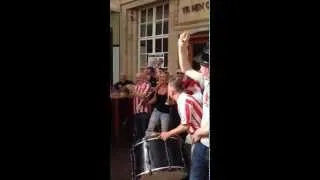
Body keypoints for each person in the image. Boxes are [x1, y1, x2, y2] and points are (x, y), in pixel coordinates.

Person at [178, 31, 211, 180]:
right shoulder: (207, 81)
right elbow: (186, 69)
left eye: (205, 65)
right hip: (202, 146)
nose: (201, 69)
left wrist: (199, 133)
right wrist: (181, 47)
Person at [145, 72, 171, 137]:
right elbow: (155, 99)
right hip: (156, 110)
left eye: (164, 77)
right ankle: (148, 145)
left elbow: (171, 101)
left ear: (167, 78)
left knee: (164, 131)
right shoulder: (158, 87)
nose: (161, 78)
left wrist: (169, 102)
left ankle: (163, 145)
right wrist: (147, 103)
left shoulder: (169, 87)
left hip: (165, 112)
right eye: (161, 77)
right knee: (149, 130)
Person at [132, 72, 152, 141]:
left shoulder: (147, 84)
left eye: (138, 77)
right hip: (136, 110)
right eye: (136, 77)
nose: (137, 79)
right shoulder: (136, 85)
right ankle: (139, 147)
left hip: (144, 111)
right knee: (138, 130)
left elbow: (143, 95)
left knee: (144, 130)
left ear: (143, 77)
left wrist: (134, 92)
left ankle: (146, 145)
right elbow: (133, 95)